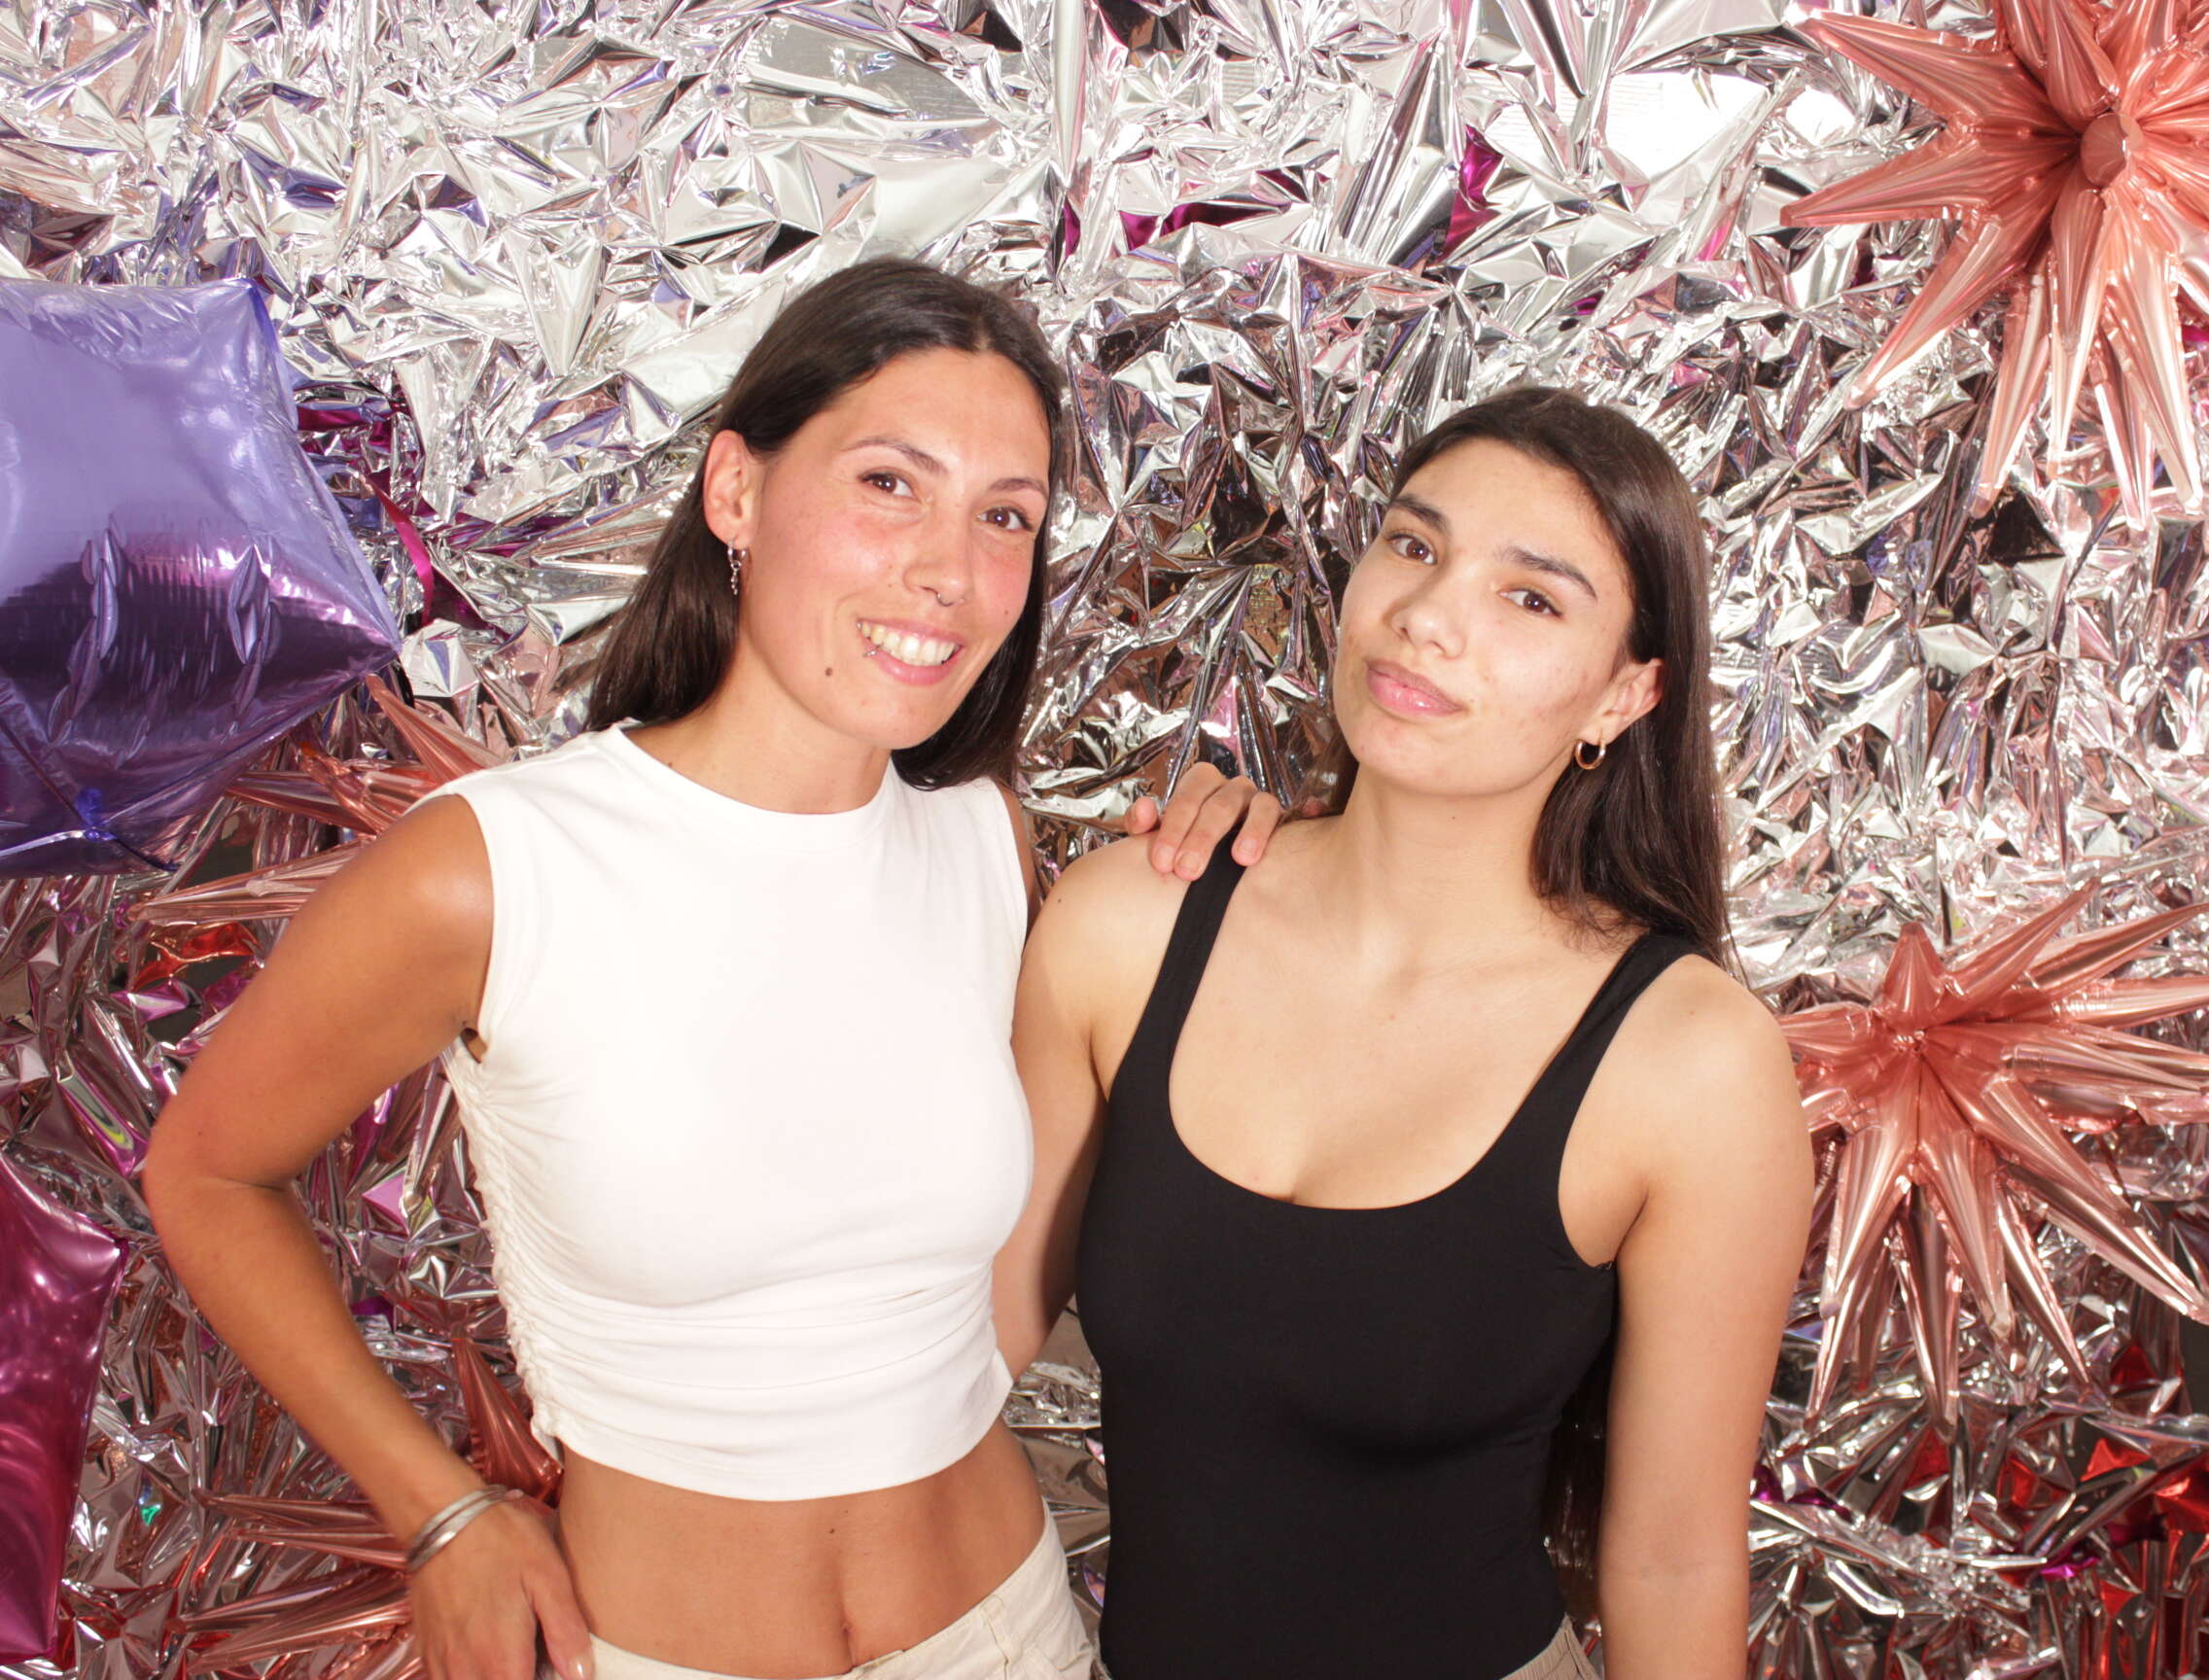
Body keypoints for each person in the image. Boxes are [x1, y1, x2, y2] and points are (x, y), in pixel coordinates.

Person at [143, 257, 1279, 1680]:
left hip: (1007, 1634)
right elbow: (205, 1170)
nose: (950, 570)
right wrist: (438, 1511)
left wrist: (1255, 864)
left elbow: (1000, 1266)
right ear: (736, 491)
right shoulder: (497, 869)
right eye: (889, 483)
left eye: (1007, 516)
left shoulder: (983, 842)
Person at [999, 387, 1813, 1679]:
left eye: (1530, 597)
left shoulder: (1689, 1064)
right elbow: (950, 1356)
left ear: (1624, 695)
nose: (1430, 615)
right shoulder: (1127, 928)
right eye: (1416, 545)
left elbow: (1673, 1559)